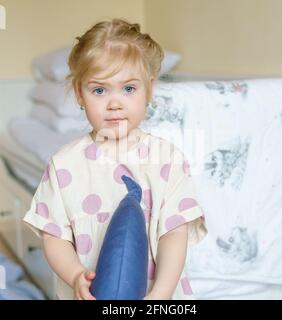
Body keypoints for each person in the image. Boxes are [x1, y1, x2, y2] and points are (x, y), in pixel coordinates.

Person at [23, 18, 207, 300]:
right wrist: (75, 275)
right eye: (99, 90)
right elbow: (54, 235)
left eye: (129, 89)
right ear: (79, 94)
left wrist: (161, 292)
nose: (115, 103)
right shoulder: (64, 165)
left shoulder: (167, 160)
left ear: (149, 90)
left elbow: (174, 234)